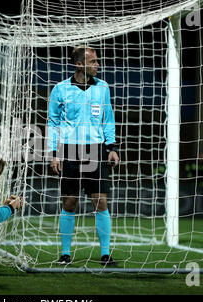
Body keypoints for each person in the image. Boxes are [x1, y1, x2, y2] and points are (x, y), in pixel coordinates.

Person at [47, 45, 119, 266]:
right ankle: (65, 253)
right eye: (93, 61)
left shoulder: (103, 88)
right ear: (79, 64)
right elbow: (53, 122)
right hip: (69, 150)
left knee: (100, 202)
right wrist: (54, 153)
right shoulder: (60, 89)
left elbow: (108, 118)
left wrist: (112, 146)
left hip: (96, 149)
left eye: (97, 61)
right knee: (69, 202)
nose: (97, 65)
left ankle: (105, 254)